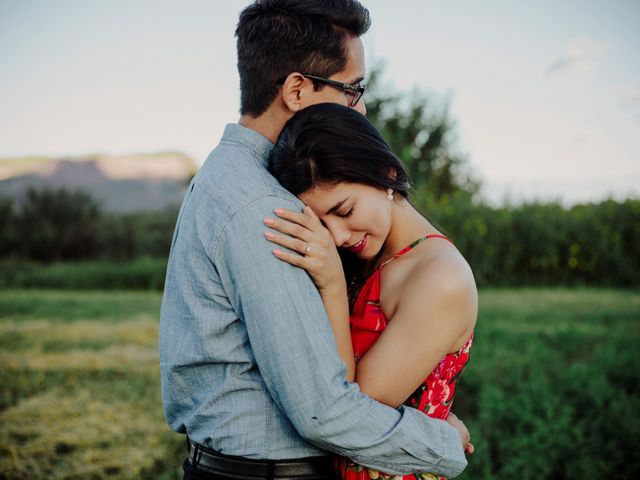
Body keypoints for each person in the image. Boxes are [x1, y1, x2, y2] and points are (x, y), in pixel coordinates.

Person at [159, 1, 470, 479]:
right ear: (298, 90)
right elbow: (324, 410)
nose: (361, 109)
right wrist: (439, 439)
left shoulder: (231, 177)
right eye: (352, 90)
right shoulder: (264, 208)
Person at [266, 102, 478, 480]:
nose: (338, 237)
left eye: (344, 211)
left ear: (386, 173)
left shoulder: (439, 277)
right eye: (322, 224)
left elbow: (351, 410)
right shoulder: (371, 259)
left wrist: (332, 284)